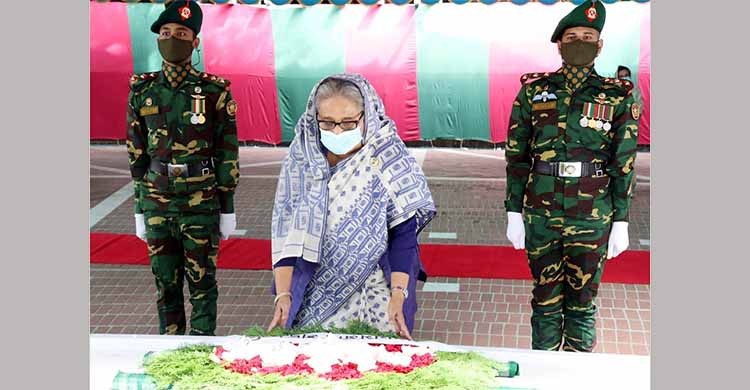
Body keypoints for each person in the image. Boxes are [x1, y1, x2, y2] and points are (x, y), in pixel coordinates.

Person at [504, 0, 639, 352]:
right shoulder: (534, 91)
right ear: (560, 44)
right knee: (545, 301)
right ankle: (543, 374)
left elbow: (623, 161)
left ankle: (577, 375)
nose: (579, 41)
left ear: (600, 44)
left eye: (587, 35)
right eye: (572, 36)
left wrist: (621, 219)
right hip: (541, 211)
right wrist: (513, 211)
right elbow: (517, 155)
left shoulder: (617, 94)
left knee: (582, 303)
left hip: (592, 213)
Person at [268, 74, 436, 340]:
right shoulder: (302, 160)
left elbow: (403, 232)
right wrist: (283, 294)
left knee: (377, 368)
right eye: (327, 123)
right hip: (317, 293)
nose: (337, 131)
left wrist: (398, 294)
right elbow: (287, 233)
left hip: (375, 292)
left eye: (348, 123)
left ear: (366, 114)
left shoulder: (386, 154)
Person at [126, 0, 240, 336]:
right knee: (166, 289)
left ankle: (201, 356)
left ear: (195, 42)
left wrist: (227, 208)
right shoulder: (142, 91)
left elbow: (227, 152)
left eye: (181, 33)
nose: (171, 38)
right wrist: (138, 209)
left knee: (203, 287)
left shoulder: (214, 92)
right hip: (157, 201)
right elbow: (136, 155)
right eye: (165, 32)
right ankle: (170, 353)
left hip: (200, 202)